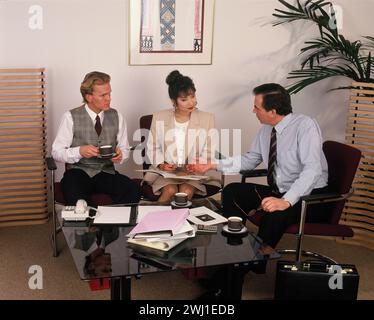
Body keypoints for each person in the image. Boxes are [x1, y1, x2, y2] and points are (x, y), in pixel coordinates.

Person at [188, 83, 329, 299]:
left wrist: (287, 201)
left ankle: (228, 281)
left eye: (256, 107)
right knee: (233, 191)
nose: (253, 111)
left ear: (273, 111)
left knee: (273, 216)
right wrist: (212, 165)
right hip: (280, 191)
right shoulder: (266, 130)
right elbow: (250, 159)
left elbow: (312, 170)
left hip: (310, 197)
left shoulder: (305, 126)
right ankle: (233, 249)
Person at [52, 71, 141, 206]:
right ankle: (90, 226)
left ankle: (111, 226)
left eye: (109, 93)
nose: (109, 98)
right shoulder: (70, 117)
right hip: (77, 173)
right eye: (103, 95)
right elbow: (56, 152)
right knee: (77, 198)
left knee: (132, 190)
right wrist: (79, 151)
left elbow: (125, 148)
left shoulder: (117, 116)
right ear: (89, 97)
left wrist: (121, 155)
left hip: (105, 172)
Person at [143, 70, 219, 204]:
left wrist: (193, 167)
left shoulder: (207, 118)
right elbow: (152, 147)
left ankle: (180, 223)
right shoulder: (159, 117)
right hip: (166, 174)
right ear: (174, 101)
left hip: (194, 174)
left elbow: (209, 150)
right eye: (184, 99)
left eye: (193, 96)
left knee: (186, 192)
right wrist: (161, 164)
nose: (191, 102)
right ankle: (158, 223)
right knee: (170, 190)